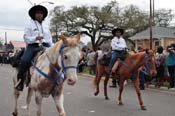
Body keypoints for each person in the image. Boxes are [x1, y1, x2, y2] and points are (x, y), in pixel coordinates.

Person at [15, 5, 53, 91]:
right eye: (38, 13)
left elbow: (50, 39)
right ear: (34, 14)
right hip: (33, 46)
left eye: (41, 13)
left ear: (43, 15)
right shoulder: (29, 24)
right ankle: (20, 82)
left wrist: (53, 48)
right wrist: (35, 38)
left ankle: (57, 79)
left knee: (56, 58)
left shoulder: (46, 26)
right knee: (24, 61)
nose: (40, 15)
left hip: (45, 46)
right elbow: (25, 37)